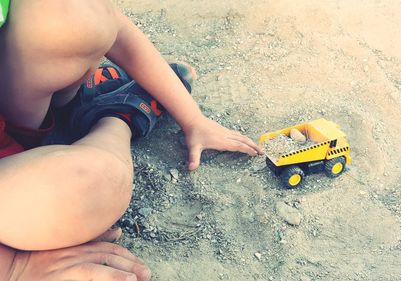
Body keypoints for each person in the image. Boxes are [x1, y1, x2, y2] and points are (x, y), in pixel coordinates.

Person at [0, 0, 261, 280]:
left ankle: (74, 105)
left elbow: (108, 22)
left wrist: (192, 118)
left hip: (15, 115)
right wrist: (13, 267)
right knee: (91, 183)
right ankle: (116, 115)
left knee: (72, 15)